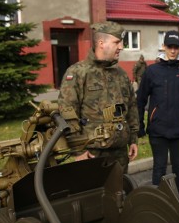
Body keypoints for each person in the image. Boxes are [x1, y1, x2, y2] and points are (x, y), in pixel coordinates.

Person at [58, 21, 139, 170]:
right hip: (92, 153)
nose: (121, 47)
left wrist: (133, 139)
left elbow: (131, 106)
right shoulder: (78, 72)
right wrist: (78, 150)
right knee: (93, 192)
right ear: (101, 43)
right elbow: (67, 112)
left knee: (120, 191)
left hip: (119, 153)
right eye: (117, 42)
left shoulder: (121, 74)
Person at [137, 31, 179, 193]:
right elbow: (140, 99)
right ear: (163, 47)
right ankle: (158, 201)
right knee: (159, 168)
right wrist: (139, 125)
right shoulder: (152, 71)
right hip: (158, 130)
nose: (173, 51)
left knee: (178, 168)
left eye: (176, 47)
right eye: (169, 47)